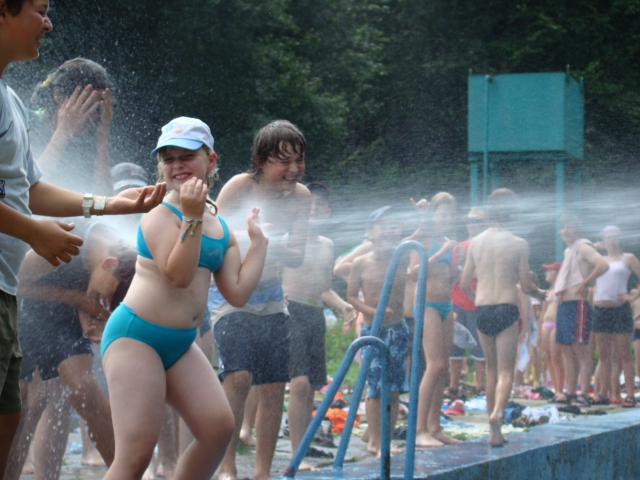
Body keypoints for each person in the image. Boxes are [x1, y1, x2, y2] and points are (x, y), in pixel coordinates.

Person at [0, 3, 164, 475]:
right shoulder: (31, 115)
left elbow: (33, 188)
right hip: (25, 285)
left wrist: (112, 200)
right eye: (39, 10)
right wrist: (33, 230)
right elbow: (27, 198)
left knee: (27, 409)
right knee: (29, 403)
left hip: (24, 284)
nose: (48, 22)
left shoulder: (9, 101)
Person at [100, 116, 268, 480]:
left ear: (211, 160)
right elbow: (178, 275)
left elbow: (237, 292)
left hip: (179, 344)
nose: (177, 165)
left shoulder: (219, 226)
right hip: (136, 337)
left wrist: (259, 245)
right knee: (136, 453)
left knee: (217, 429)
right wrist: (191, 216)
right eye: (169, 158)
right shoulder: (159, 215)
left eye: (187, 156)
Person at [211, 119, 310, 480]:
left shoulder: (302, 198)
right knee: (238, 378)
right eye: (284, 161)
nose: (293, 169)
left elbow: (297, 256)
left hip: (271, 298)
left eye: (299, 160)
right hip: (229, 295)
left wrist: (268, 243)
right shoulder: (240, 186)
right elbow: (211, 237)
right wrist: (251, 239)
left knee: (273, 386)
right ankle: (226, 466)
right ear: (260, 161)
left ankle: (262, 472)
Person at [5, 226, 135, 480]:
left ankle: (127, 474)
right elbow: (12, 282)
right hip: (23, 309)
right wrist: (78, 300)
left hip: (63, 311)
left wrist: (89, 313)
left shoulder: (115, 250)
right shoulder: (63, 243)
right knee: (20, 403)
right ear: (109, 264)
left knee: (84, 390)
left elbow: (92, 291)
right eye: (109, 297)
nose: (107, 303)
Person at [461, 188, 543, 447]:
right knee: (506, 371)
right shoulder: (519, 243)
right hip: (506, 307)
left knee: (491, 370)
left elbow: (463, 283)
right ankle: (497, 414)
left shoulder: (476, 242)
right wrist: (541, 293)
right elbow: (526, 286)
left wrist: (477, 300)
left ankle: (493, 432)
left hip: (483, 308)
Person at [282, 182, 355, 470]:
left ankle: (302, 446)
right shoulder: (287, 239)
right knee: (298, 382)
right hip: (290, 310)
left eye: (319, 206)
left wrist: (344, 306)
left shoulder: (327, 245)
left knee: (312, 384)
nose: (313, 209)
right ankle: (294, 454)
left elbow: (325, 289)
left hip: (315, 313)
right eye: (308, 204)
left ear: (327, 212)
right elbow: (269, 275)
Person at [347, 206, 409, 458]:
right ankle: (375, 440)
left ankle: (386, 438)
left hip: (398, 329)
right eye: (383, 227)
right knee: (374, 387)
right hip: (373, 329)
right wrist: (374, 311)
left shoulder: (402, 256)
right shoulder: (361, 262)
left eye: (394, 226)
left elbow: (420, 237)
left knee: (393, 388)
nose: (389, 231)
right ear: (370, 233)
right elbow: (351, 296)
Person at [410, 193, 461, 448]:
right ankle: (418, 429)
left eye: (451, 214)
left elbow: (449, 278)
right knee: (435, 365)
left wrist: (456, 267)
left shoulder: (447, 241)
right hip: (427, 304)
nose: (447, 218)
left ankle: (435, 427)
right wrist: (441, 251)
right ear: (433, 215)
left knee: (444, 368)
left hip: (445, 305)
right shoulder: (425, 239)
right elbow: (413, 273)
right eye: (443, 214)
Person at [554, 213, 608, 407]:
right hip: (564, 304)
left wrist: (586, 283)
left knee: (580, 350)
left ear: (577, 228)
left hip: (578, 304)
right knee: (566, 350)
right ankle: (570, 392)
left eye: (570, 226)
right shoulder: (568, 251)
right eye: (563, 227)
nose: (566, 230)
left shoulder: (583, 247)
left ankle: (584, 394)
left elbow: (603, 264)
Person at [590, 226, 640, 407]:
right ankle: (603, 393)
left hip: (620, 309)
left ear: (620, 239)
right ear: (604, 240)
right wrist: (595, 248)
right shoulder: (600, 260)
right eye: (608, 237)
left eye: (615, 237)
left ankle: (630, 395)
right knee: (604, 355)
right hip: (601, 309)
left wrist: (632, 296)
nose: (611, 240)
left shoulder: (628, 258)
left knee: (624, 354)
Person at [449, 207, 487, 398]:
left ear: (485, 223)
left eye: (477, 221)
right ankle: (453, 388)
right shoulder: (459, 248)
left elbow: (488, 274)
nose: (472, 225)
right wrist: (460, 267)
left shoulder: (488, 247)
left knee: (480, 350)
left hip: (479, 303)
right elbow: (450, 277)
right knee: (455, 349)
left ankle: (480, 387)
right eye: (469, 221)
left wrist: (466, 272)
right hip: (457, 303)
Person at [539, 262, 565, 400]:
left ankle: (560, 389)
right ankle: (556, 389)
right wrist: (539, 332)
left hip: (556, 323)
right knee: (548, 357)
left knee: (556, 357)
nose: (546, 274)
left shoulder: (562, 289)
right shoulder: (549, 291)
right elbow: (543, 312)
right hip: (546, 323)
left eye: (549, 271)